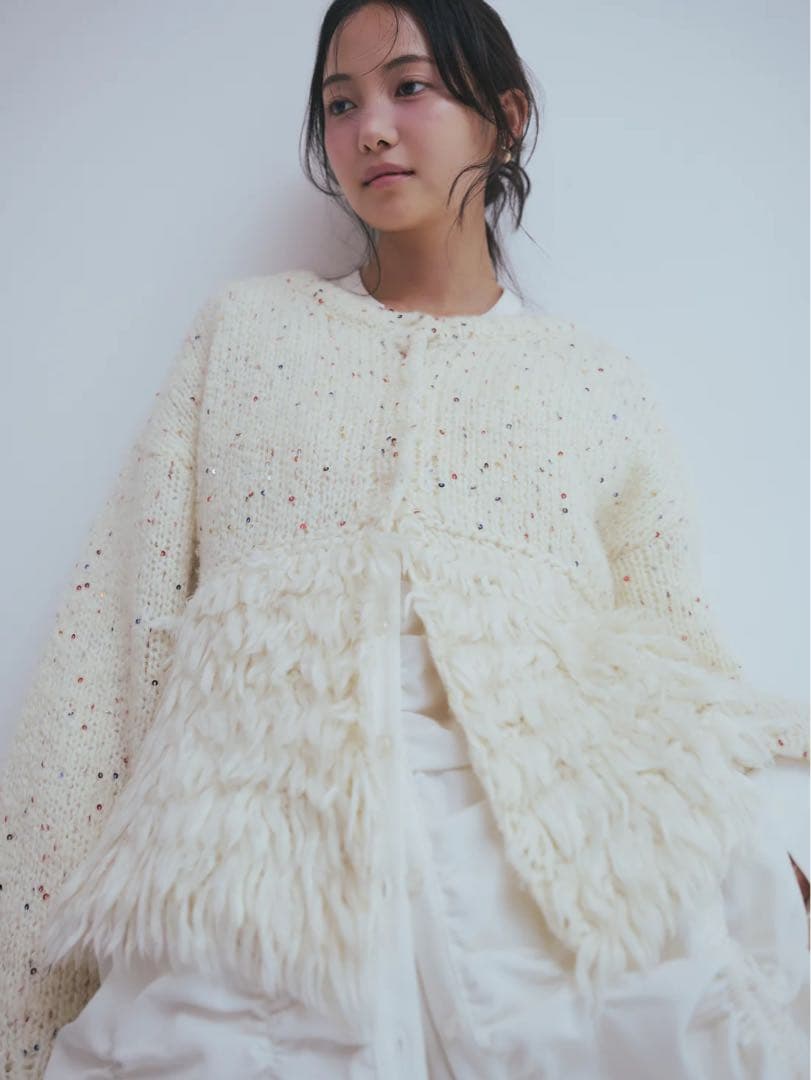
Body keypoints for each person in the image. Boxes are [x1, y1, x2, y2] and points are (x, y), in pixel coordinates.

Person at [1, 1, 808, 1077]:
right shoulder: (247, 332)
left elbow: (672, 651)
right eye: (340, 104)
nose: (370, 128)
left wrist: (763, 841)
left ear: (505, 118)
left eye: (410, 87)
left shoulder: (594, 382)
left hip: (539, 873)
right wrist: (28, 969)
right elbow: (119, 626)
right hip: (264, 875)